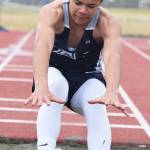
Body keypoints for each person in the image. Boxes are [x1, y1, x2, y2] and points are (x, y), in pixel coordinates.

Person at [25, 0, 128, 149]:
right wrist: (41, 86)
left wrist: (111, 91)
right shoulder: (53, 12)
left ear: (100, 4)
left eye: (91, 6)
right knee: (56, 86)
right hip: (55, 70)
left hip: (86, 75)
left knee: (97, 102)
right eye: (78, 3)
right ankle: (46, 147)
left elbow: (113, 56)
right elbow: (42, 46)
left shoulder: (108, 22)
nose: (83, 10)